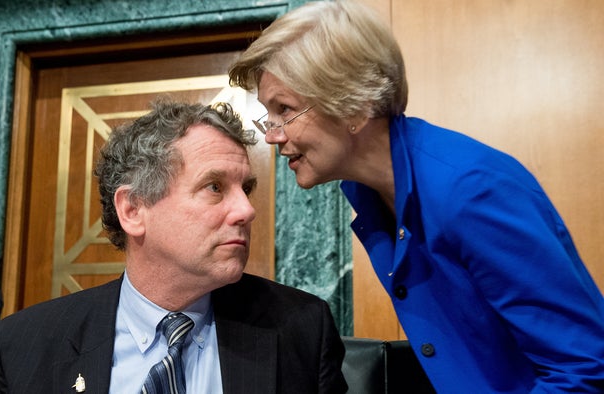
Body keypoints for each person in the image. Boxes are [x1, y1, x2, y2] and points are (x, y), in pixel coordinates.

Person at [228, 1, 604, 393]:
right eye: (267, 116)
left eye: (284, 110)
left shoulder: (471, 191)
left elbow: (586, 370)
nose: (272, 136)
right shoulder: (372, 195)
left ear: (354, 104)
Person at [0, 100, 348, 393]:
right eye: (215, 187)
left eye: (245, 189)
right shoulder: (24, 346)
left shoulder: (301, 328)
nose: (247, 210)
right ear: (133, 209)